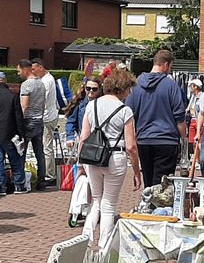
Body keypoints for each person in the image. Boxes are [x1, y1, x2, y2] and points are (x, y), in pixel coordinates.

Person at [80, 70, 142, 251]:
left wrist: (80, 163)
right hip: (115, 157)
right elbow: (131, 145)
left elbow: (84, 137)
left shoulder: (92, 105)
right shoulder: (125, 111)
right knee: (108, 205)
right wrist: (137, 171)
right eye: (129, 89)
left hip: (92, 157)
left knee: (96, 201)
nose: (130, 93)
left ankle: (85, 240)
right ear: (122, 88)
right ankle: (104, 246)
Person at [125, 49, 186, 186]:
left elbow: (129, 114)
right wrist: (184, 139)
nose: (170, 70)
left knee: (148, 181)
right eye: (170, 67)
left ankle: (150, 204)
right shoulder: (171, 85)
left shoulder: (136, 85)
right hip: (166, 140)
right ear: (165, 65)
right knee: (163, 185)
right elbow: (179, 117)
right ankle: (158, 207)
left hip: (144, 140)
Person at [18, 59, 47, 190]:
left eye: (19, 71)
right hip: (39, 120)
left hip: (28, 121)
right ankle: (42, 180)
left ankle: (21, 181)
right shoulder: (41, 83)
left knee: (22, 151)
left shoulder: (26, 85)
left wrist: (19, 121)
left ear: (25, 70)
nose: (18, 74)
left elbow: (24, 105)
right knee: (39, 152)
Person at [31, 58, 59, 188]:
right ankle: (48, 173)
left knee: (46, 147)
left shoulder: (46, 81)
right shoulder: (47, 79)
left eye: (34, 69)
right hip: (48, 115)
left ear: (40, 67)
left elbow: (42, 99)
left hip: (47, 117)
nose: (33, 72)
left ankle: (50, 175)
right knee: (45, 146)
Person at [66, 78, 102, 146]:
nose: (91, 91)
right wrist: (70, 137)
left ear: (99, 90)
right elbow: (71, 121)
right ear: (85, 88)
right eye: (88, 88)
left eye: (94, 89)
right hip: (83, 140)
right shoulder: (79, 103)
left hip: (99, 141)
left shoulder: (103, 104)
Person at [185, 79, 203, 160]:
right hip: (192, 120)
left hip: (199, 121)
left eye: (191, 86)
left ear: (196, 87)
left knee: (199, 142)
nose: (190, 88)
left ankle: (201, 159)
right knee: (192, 142)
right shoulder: (193, 97)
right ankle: (196, 159)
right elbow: (189, 108)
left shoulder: (202, 96)